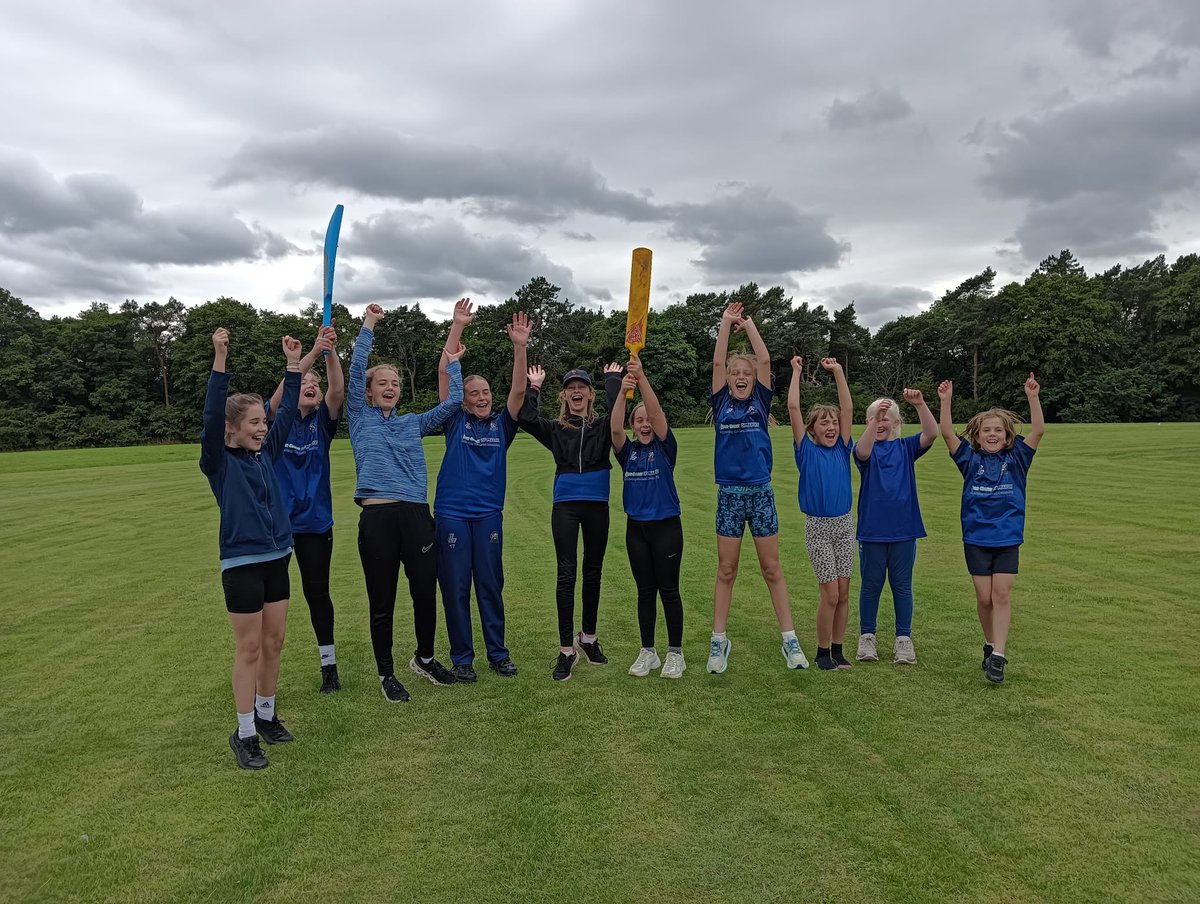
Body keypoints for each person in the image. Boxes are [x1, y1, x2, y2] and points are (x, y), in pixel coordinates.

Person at [200, 327, 327, 770]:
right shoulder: (218, 462)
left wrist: (294, 366)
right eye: (254, 423)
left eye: (263, 423)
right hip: (241, 564)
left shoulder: (266, 453)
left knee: (274, 641)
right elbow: (212, 412)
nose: (262, 429)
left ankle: (267, 716)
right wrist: (220, 358)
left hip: (278, 558)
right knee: (249, 648)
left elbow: (288, 411)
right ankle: (245, 732)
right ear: (232, 429)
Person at [348, 303, 464, 703]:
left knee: (424, 593)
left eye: (395, 381)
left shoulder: (411, 421)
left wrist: (454, 363)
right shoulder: (359, 417)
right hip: (377, 517)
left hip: (416, 514)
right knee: (382, 600)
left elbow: (453, 405)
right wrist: (369, 325)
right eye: (382, 381)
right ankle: (386, 674)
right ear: (368, 391)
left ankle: (426, 658)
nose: (390, 386)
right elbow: (355, 368)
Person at [706, 301, 808, 674]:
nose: (740, 376)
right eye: (735, 372)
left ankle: (790, 640)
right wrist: (723, 323)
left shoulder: (760, 403)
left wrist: (747, 324)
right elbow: (717, 363)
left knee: (772, 569)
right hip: (729, 495)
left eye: (745, 372)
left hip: (760, 493)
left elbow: (765, 361)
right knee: (727, 570)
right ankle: (719, 641)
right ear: (729, 378)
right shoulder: (721, 406)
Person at [433, 299, 528, 682]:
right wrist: (457, 328)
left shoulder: (500, 427)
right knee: (456, 588)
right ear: (464, 399)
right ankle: (462, 659)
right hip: (452, 514)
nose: (483, 397)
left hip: (489, 514)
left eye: (486, 391)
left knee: (490, 585)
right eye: (474, 393)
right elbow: (444, 375)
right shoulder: (454, 421)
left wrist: (520, 348)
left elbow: (519, 393)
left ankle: (498, 654)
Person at [938, 374, 1044, 683]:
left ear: (1008, 435)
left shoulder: (1019, 457)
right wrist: (946, 402)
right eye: (987, 430)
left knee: (1002, 594)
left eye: (998, 430)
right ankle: (989, 644)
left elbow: (1038, 430)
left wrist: (1032, 397)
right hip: (976, 537)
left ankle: (998, 655)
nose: (993, 434)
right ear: (978, 435)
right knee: (984, 598)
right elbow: (946, 432)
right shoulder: (969, 459)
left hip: (1007, 537)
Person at [519, 359, 620, 681]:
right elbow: (525, 417)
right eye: (570, 388)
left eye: (581, 388)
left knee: (593, 571)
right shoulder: (556, 429)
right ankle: (566, 649)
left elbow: (621, 414)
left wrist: (613, 381)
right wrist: (534, 387)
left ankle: (588, 637)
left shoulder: (604, 425)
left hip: (597, 505)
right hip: (565, 506)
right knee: (566, 573)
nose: (576, 392)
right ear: (564, 396)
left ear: (590, 394)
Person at [264, 324, 345, 693]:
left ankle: (328, 664)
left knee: (318, 593)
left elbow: (338, 390)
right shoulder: (275, 426)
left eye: (315, 382)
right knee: (273, 599)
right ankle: (265, 672)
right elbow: (282, 397)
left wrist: (329, 352)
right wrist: (306, 357)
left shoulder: (321, 424)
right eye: (304, 382)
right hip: (278, 526)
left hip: (315, 524)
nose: (311, 385)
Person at [609, 357, 686, 679]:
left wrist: (640, 379)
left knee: (668, 590)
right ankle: (648, 652)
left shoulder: (666, 448)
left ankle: (675, 654)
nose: (645, 423)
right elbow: (613, 428)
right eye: (638, 419)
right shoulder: (628, 452)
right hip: (636, 530)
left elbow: (656, 412)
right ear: (632, 424)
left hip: (666, 527)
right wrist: (621, 392)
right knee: (644, 591)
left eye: (647, 420)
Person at [853, 389, 938, 664]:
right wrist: (873, 420)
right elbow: (862, 451)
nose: (880, 422)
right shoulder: (865, 450)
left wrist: (921, 404)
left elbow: (931, 434)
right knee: (871, 585)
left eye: (886, 418)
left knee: (902, 585)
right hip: (873, 530)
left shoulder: (905, 447)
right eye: (875, 418)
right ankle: (867, 637)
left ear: (896, 424)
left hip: (903, 529)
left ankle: (904, 639)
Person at [787, 355, 855, 671]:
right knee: (829, 593)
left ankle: (838, 650)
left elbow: (848, 409)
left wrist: (838, 372)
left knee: (843, 593)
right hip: (818, 528)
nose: (831, 426)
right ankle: (821, 651)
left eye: (834, 422)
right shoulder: (807, 451)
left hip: (844, 526)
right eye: (823, 423)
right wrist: (796, 374)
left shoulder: (842, 448)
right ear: (812, 430)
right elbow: (793, 410)